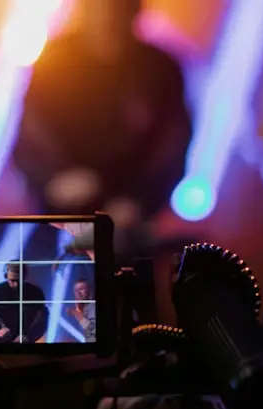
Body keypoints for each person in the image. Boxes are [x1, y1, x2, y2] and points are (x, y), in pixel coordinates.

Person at [12, 0, 192, 242]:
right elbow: (31, 136)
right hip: (60, 216)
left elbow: (173, 144)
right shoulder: (54, 61)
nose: (107, 18)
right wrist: (55, 179)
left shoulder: (161, 68)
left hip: (131, 220)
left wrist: (140, 200)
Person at [0, 262, 47, 344]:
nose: (16, 284)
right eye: (12, 280)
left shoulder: (36, 293)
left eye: (19, 280)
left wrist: (29, 336)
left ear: (24, 277)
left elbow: (42, 322)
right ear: (6, 276)